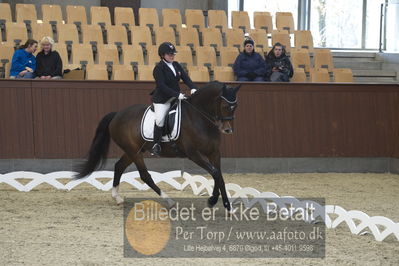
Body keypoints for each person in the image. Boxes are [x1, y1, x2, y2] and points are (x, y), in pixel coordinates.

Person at [150, 42, 198, 156]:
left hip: (176, 97)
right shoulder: (158, 68)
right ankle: (156, 145)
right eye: (169, 54)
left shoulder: (176, 65)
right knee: (160, 119)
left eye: (173, 54)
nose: (172, 56)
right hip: (163, 99)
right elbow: (162, 86)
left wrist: (193, 88)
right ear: (162, 55)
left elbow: (186, 78)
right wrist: (177, 95)